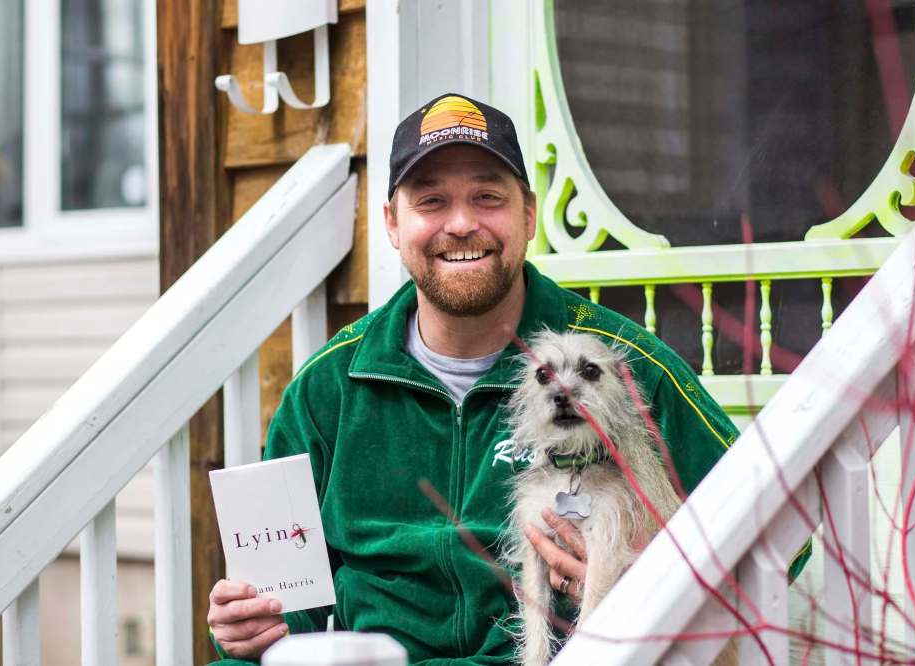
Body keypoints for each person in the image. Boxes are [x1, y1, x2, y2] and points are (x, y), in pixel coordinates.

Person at [207, 93, 808, 664]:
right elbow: (290, 608)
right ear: (393, 224)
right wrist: (255, 626)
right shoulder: (328, 387)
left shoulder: (624, 367)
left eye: (487, 198)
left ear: (528, 215)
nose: (462, 223)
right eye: (431, 200)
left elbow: (786, 535)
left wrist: (661, 572)